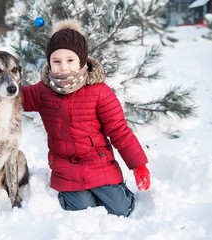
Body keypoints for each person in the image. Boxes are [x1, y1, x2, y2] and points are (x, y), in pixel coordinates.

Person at [21, 19, 150, 217]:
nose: (63, 67)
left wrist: (138, 164)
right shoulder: (42, 91)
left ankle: (115, 194)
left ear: (81, 60)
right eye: (56, 61)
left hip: (98, 163)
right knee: (80, 208)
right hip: (65, 167)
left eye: (70, 60)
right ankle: (78, 196)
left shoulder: (99, 91)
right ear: (49, 62)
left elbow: (119, 130)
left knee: (120, 209)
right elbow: (15, 98)